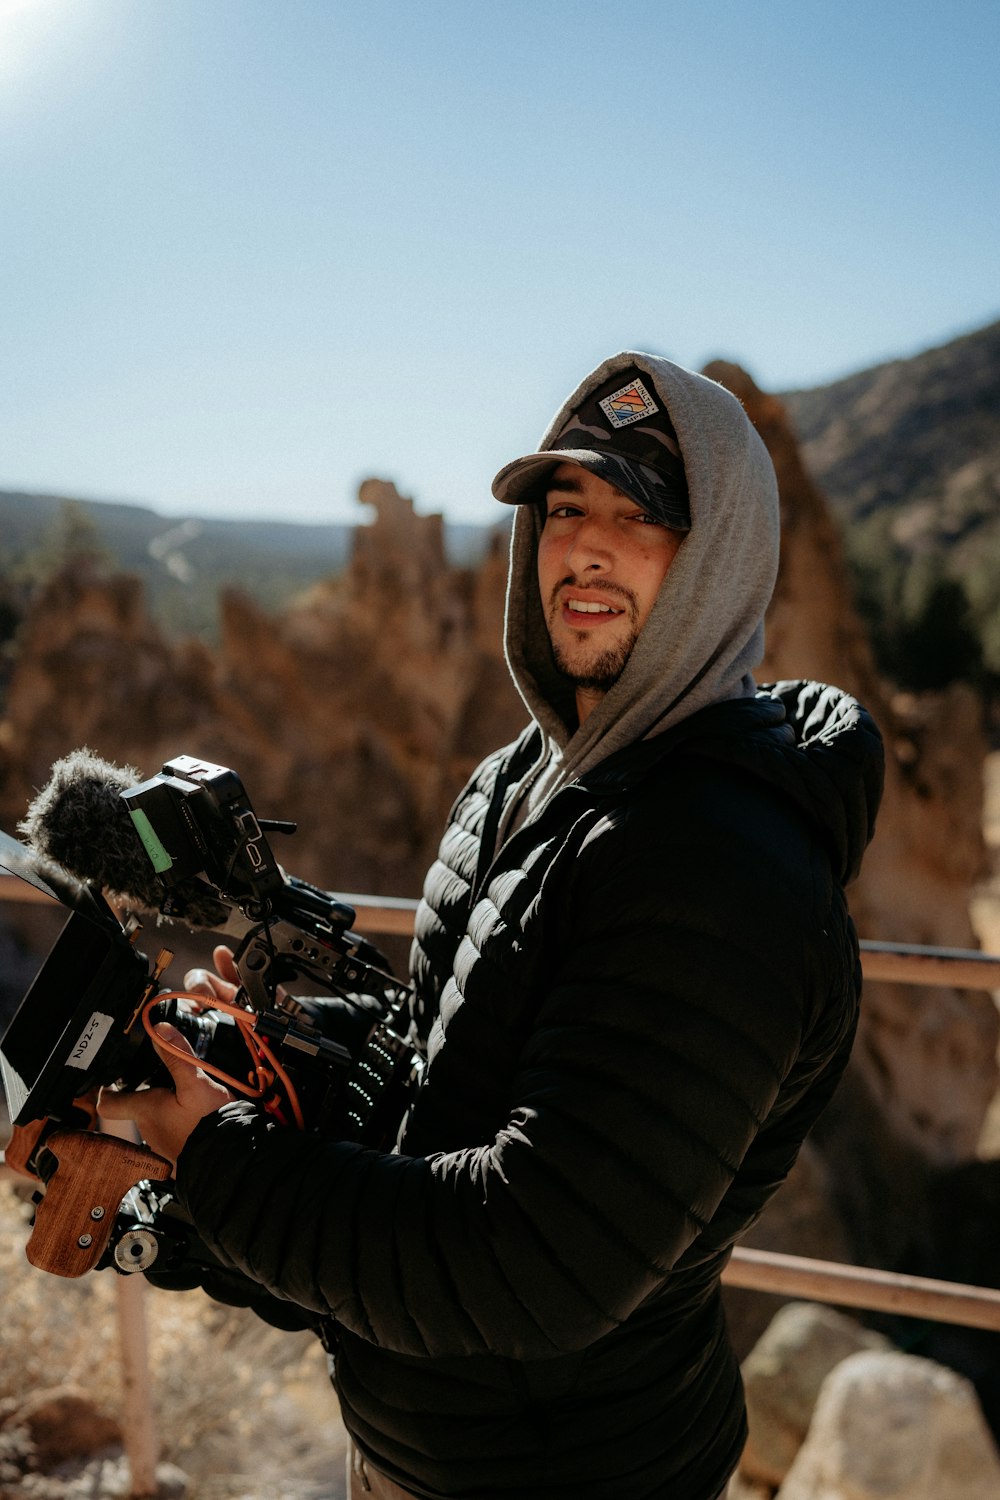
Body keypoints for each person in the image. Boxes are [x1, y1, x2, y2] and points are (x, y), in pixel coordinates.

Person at [101, 351, 885, 1500]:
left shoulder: (718, 864)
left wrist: (218, 1159)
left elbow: (536, 1260)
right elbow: (447, 1069)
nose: (586, 546)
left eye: (641, 516)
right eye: (566, 509)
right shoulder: (523, 775)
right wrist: (268, 1058)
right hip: (422, 1445)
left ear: (720, 561)